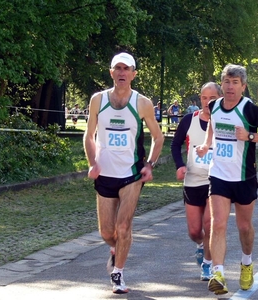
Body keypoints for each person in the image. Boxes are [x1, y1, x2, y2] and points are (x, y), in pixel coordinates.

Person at [83, 52, 164, 294]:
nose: (121, 73)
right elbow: (88, 135)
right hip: (105, 173)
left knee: (123, 227)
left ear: (133, 74)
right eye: (117, 68)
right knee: (107, 232)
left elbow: (158, 137)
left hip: (131, 174)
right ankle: (115, 250)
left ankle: (118, 273)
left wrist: (149, 164)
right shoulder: (98, 100)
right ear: (111, 72)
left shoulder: (142, 103)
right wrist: (92, 163)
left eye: (126, 69)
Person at [196, 64, 258, 295]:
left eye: (235, 83)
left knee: (244, 227)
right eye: (227, 82)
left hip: (244, 178)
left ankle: (246, 262)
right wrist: (206, 144)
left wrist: (250, 136)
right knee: (218, 223)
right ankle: (218, 273)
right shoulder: (213, 106)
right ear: (221, 85)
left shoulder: (251, 110)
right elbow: (211, 128)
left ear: (243, 86)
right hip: (219, 175)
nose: (230, 86)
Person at [171, 82, 222, 281]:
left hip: (215, 180)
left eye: (212, 98)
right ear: (200, 99)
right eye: (204, 98)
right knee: (194, 230)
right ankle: (201, 246)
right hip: (192, 179)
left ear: (220, 97)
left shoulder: (224, 120)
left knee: (210, 223)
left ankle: (208, 265)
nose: (208, 102)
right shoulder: (188, 120)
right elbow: (175, 145)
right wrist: (179, 165)